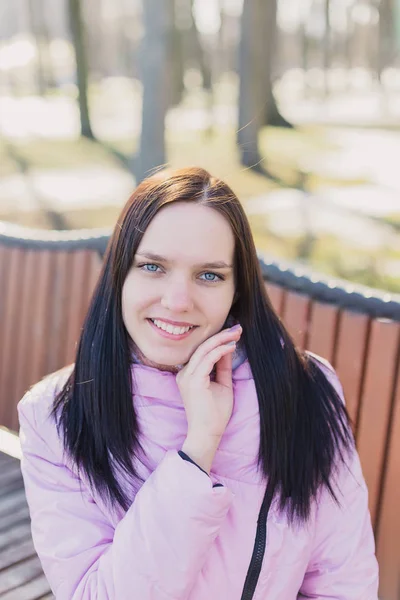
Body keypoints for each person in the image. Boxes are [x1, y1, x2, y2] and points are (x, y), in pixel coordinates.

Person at [18, 167, 379, 600]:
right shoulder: (55, 416)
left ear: (237, 290)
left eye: (209, 275)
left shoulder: (305, 389)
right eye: (153, 267)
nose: (177, 301)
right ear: (120, 275)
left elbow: (343, 583)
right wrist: (197, 450)